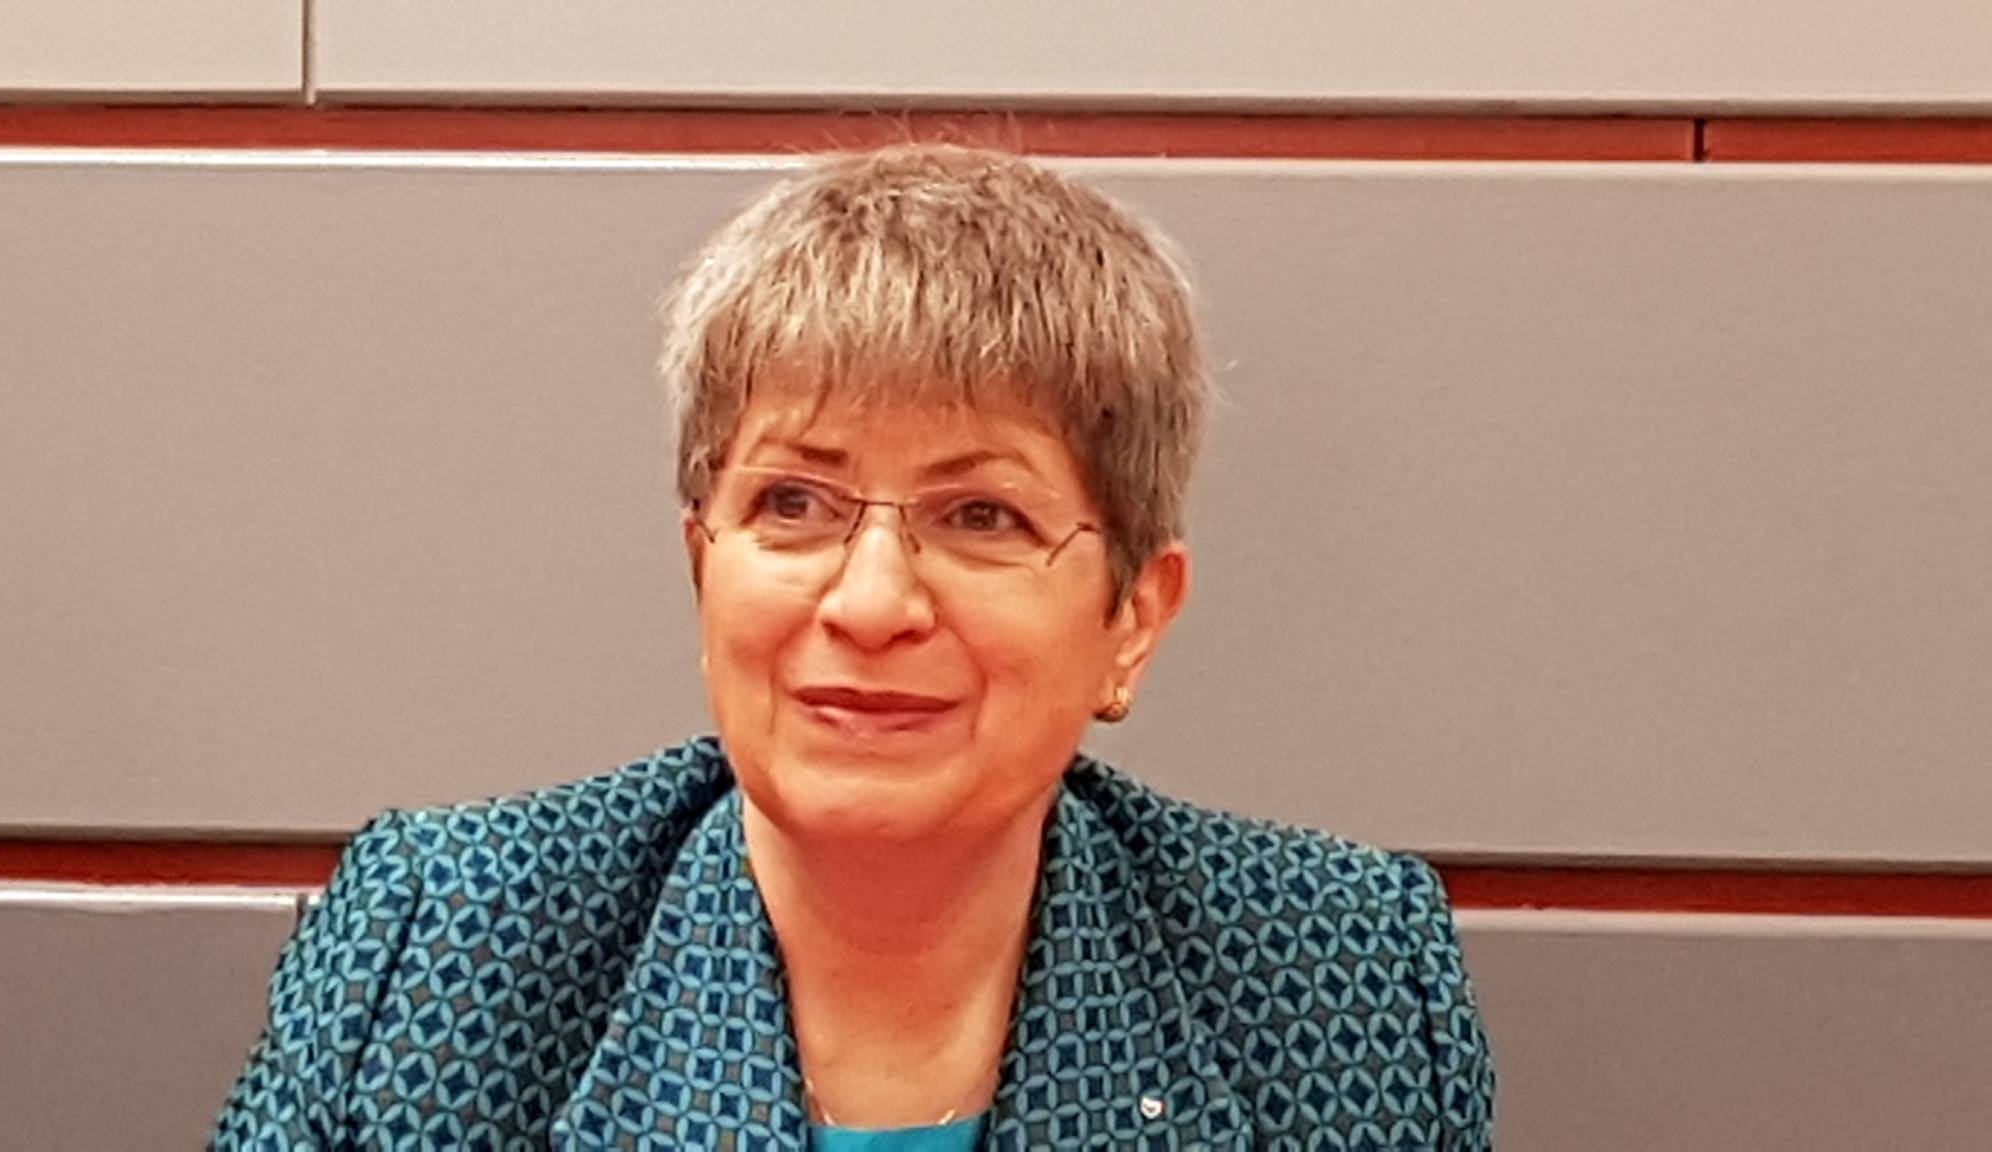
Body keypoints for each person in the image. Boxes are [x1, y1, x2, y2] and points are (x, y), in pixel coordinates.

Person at [214, 143, 1494, 1151]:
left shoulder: (1338, 980)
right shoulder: (442, 947)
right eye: (794, 503)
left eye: (980, 515)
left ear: (1132, 618)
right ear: (703, 566)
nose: (871, 603)